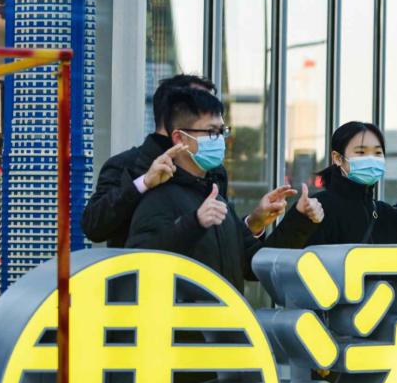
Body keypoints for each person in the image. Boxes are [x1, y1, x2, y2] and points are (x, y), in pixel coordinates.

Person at [126, 87, 324, 290]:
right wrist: (194, 222)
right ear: (180, 138)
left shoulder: (216, 198)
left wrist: (300, 218)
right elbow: (140, 263)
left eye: (222, 131)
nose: (221, 140)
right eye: (212, 132)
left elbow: (255, 263)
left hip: (228, 311)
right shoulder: (159, 197)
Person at [82, 74, 294, 247]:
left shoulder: (211, 171)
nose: (212, 112)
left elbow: (222, 244)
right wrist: (143, 183)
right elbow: (94, 226)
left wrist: (254, 222)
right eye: (199, 103)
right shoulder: (127, 165)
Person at [275, 120, 397, 246]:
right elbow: (279, 255)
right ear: (338, 158)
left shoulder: (385, 213)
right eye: (361, 152)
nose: (371, 159)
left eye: (378, 153)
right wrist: (301, 218)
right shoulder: (317, 208)